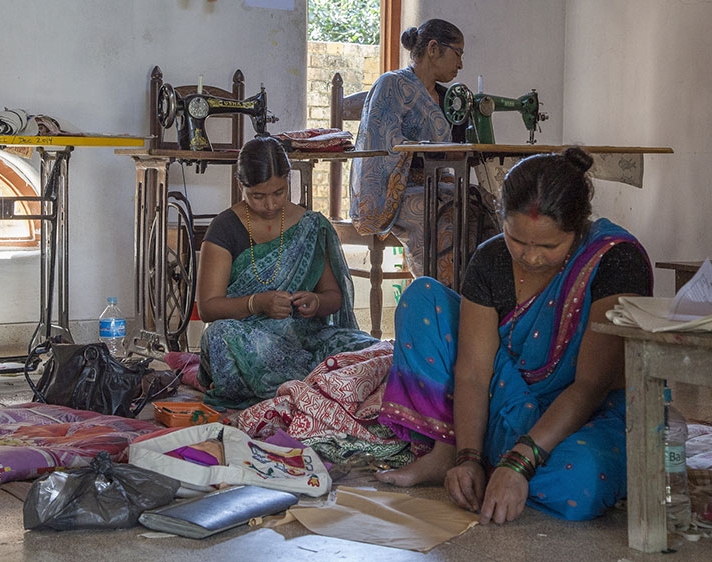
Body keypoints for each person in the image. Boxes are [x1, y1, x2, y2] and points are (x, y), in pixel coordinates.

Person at [374, 146, 653, 524]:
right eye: (517, 240)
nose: (531, 257)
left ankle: (506, 467)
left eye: (549, 246)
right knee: (423, 298)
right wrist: (468, 456)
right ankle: (450, 453)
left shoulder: (614, 261)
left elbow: (591, 385)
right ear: (502, 220)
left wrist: (520, 462)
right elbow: (473, 372)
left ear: (578, 228)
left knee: (580, 481)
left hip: (590, 413)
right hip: (509, 399)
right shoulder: (491, 260)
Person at [195, 137, 379, 410]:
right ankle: (321, 385)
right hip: (249, 337)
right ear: (241, 186)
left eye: (279, 193)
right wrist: (257, 303)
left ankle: (303, 385)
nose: (270, 205)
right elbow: (208, 308)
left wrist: (316, 303)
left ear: (288, 181)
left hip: (305, 337)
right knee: (220, 335)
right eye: (257, 196)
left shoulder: (311, 225)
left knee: (370, 350)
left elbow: (333, 297)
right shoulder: (225, 227)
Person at [350, 18, 499, 288]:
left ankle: (478, 301)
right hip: (397, 191)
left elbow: (456, 149)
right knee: (446, 220)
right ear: (433, 48)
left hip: (440, 186)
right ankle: (439, 300)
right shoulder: (391, 85)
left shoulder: (449, 98)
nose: (461, 65)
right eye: (458, 54)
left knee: (487, 208)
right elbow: (382, 145)